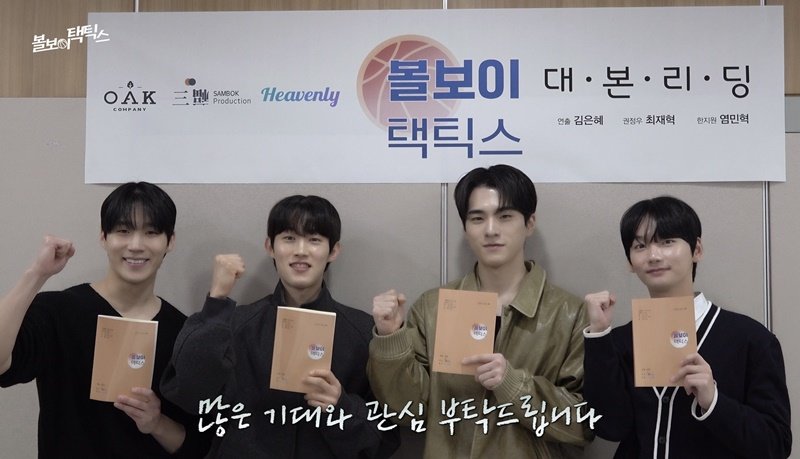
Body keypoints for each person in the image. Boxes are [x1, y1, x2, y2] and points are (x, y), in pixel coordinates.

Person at [368, 164, 592, 458]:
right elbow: (410, 411)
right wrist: (390, 339)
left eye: (505, 216)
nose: (490, 230)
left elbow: (584, 425)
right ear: (465, 228)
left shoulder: (569, 313)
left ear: (529, 223)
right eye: (477, 218)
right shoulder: (433, 308)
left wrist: (514, 385)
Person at [161, 195, 399, 458]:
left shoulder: (362, 332)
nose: (301, 250)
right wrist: (216, 301)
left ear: (333, 251)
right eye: (289, 238)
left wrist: (341, 407)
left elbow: (386, 439)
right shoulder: (236, 324)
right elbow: (189, 395)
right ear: (270, 247)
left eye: (314, 239)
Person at [0, 182, 208, 458]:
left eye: (151, 232)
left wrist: (156, 423)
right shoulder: (59, 311)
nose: (136, 245)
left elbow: (196, 447)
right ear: (103, 237)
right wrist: (37, 274)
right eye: (123, 231)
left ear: (170, 241)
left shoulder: (183, 333)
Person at [583, 196, 792, 458]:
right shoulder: (619, 341)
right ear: (629, 261)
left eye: (667, 241)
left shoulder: (751, 339)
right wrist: (599, 336)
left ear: (697, 249)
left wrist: (714, 401)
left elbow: (776, 445)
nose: (654, 255)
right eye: (640, 246)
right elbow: (610, 427)